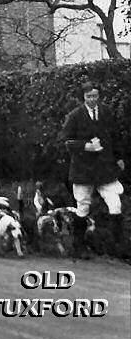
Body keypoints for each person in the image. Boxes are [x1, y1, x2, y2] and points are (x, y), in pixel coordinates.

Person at [60, 81, 126, 259]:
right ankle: (78, 247)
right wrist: (86, 146)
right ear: (83, 97)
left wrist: (119, 157)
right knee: (82, 207)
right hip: (83, 169)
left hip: (105, 168)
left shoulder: (106, 112)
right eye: (89, 96)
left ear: (99, 96)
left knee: (115, 204)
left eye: (95, 96)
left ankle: (118, 249)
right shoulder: (74, 116)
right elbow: (66, 141)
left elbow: (115, 136)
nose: (92, 100)